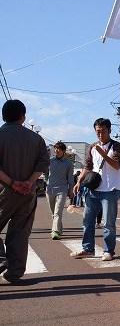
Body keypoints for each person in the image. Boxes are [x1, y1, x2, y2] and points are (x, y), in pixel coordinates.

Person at [0, 100, 49, 283]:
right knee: (20, 232)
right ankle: (14, 272)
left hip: (3, 190)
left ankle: (0, 258)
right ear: (23, 116)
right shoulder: (36, 139)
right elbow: (43, 163)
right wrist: (29, 182)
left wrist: (12, 183)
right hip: (28, 193)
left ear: (4, 115)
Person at [71, 118, 120, 261]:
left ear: (109, 130)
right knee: (87, 220)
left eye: (103, 131)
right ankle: (88, 249)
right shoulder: (93, 147)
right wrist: (79, 182)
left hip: (111, 189)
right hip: (93, 189)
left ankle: (109, 251)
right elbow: (87, 167)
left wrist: (103, 154)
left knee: (108, 223)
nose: (100, 135)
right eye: (97, 132)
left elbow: (117, 165)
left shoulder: (117, 146)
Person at [45, 141, 74, 240]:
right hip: (50, 190)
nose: (56, 151)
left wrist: (71, 190)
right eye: (55, 149)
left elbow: (70, 178)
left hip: (62, 190)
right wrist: (46, 180)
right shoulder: (50, 161)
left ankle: (55, 232)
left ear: (63, 151)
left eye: (59, 149)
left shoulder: (68, 164)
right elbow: (45, 172)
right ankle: (59, 229)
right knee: (53, 212)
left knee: (58, 212)